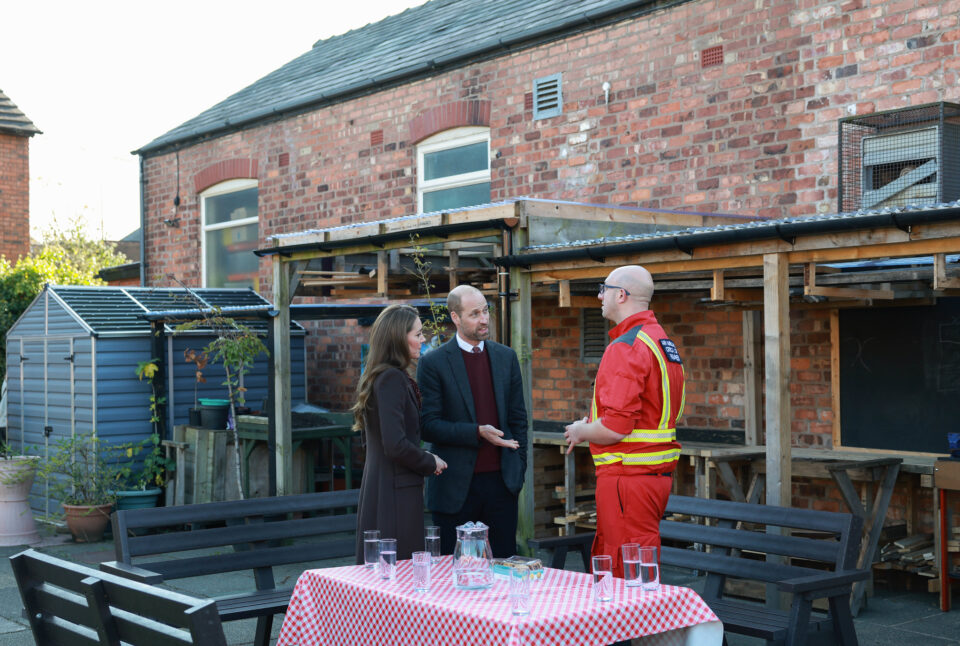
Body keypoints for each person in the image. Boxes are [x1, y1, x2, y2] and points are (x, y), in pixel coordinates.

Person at [564, 265, 684, 578]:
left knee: (621, 570)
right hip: (649, 476)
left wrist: (580, 430)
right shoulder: (659, 340)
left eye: (604, 288)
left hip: (626, 476)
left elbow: (616, 427)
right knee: (638, 563)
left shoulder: (626, 347)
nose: (599, 295)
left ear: (621, 295)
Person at [417, 285, 528, 558]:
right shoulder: (433, 363)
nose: (484, 319)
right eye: (474, 313)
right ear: (455, 317)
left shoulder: (506, 357)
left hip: (502, 484)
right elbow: (428, 425)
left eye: (486, 311)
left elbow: (519, 420)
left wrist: (518, 467)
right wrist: (477, 432)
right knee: (450, 575)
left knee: (503, 568)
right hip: (454, 487)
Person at [352, 304, 447, 563]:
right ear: (397, 337)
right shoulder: (392, 379)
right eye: (417, 334)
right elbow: (394, 445)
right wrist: (430, 460)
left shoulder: (383, 377)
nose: (423, 339)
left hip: (386, 489)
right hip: (394, 496)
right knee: (396, 576)